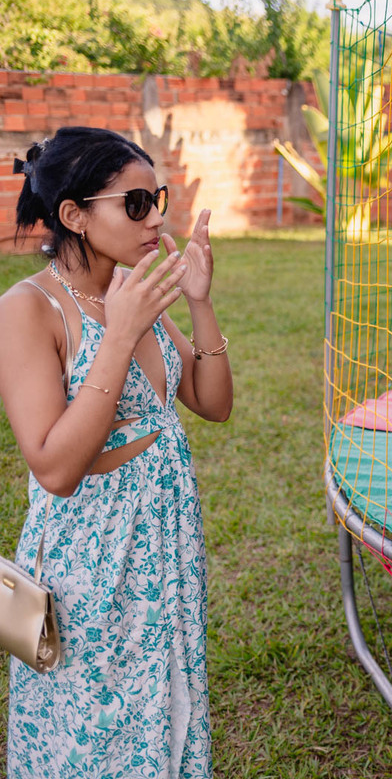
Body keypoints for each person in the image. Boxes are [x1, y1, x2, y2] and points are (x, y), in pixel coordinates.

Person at [0, 127, 234, 778]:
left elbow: (212, 403)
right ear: (73, 215)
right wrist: (120, 332)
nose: (156, 216)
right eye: (135, 203)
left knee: (166, 710)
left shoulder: (132, 289)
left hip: (163, 544)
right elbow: (54, 467)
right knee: (93, 732)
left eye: (155, 197)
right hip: (88, 566)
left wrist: (199, 300)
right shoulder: (26, 311)